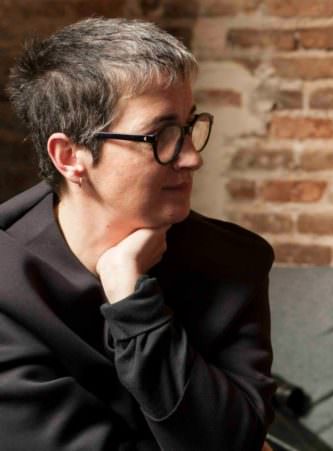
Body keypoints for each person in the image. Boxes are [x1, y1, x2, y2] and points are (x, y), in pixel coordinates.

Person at [1, 18, 275, 450]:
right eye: (161, 135)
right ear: (70, 155)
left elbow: (233, 441)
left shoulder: (233, 262)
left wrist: (133, 303)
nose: (190, 158)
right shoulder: (7, 287)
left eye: (188, 128)